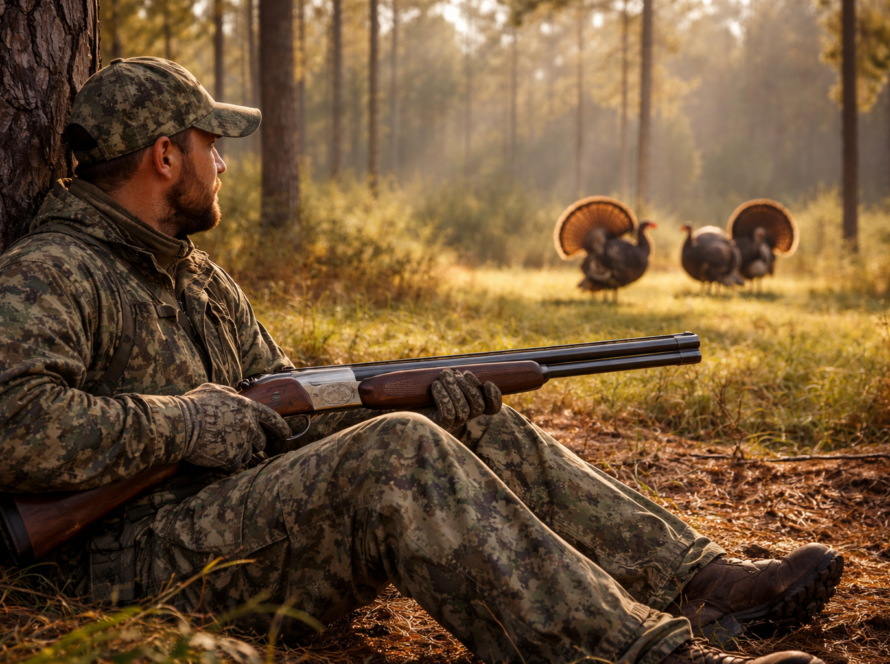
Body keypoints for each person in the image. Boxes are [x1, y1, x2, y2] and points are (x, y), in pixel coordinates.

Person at [0, 58, 842, 664]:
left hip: (226, 527)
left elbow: (285, 414)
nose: (223, 162)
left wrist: (408, 401)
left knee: (466, 427)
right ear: (164, 156)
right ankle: (650, 658)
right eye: (211, 143)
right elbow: (14, 427)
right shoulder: (55, 269)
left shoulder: (201, 280)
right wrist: (184, 420)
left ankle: (707, 588)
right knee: (395, 452)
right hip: (129, 568)